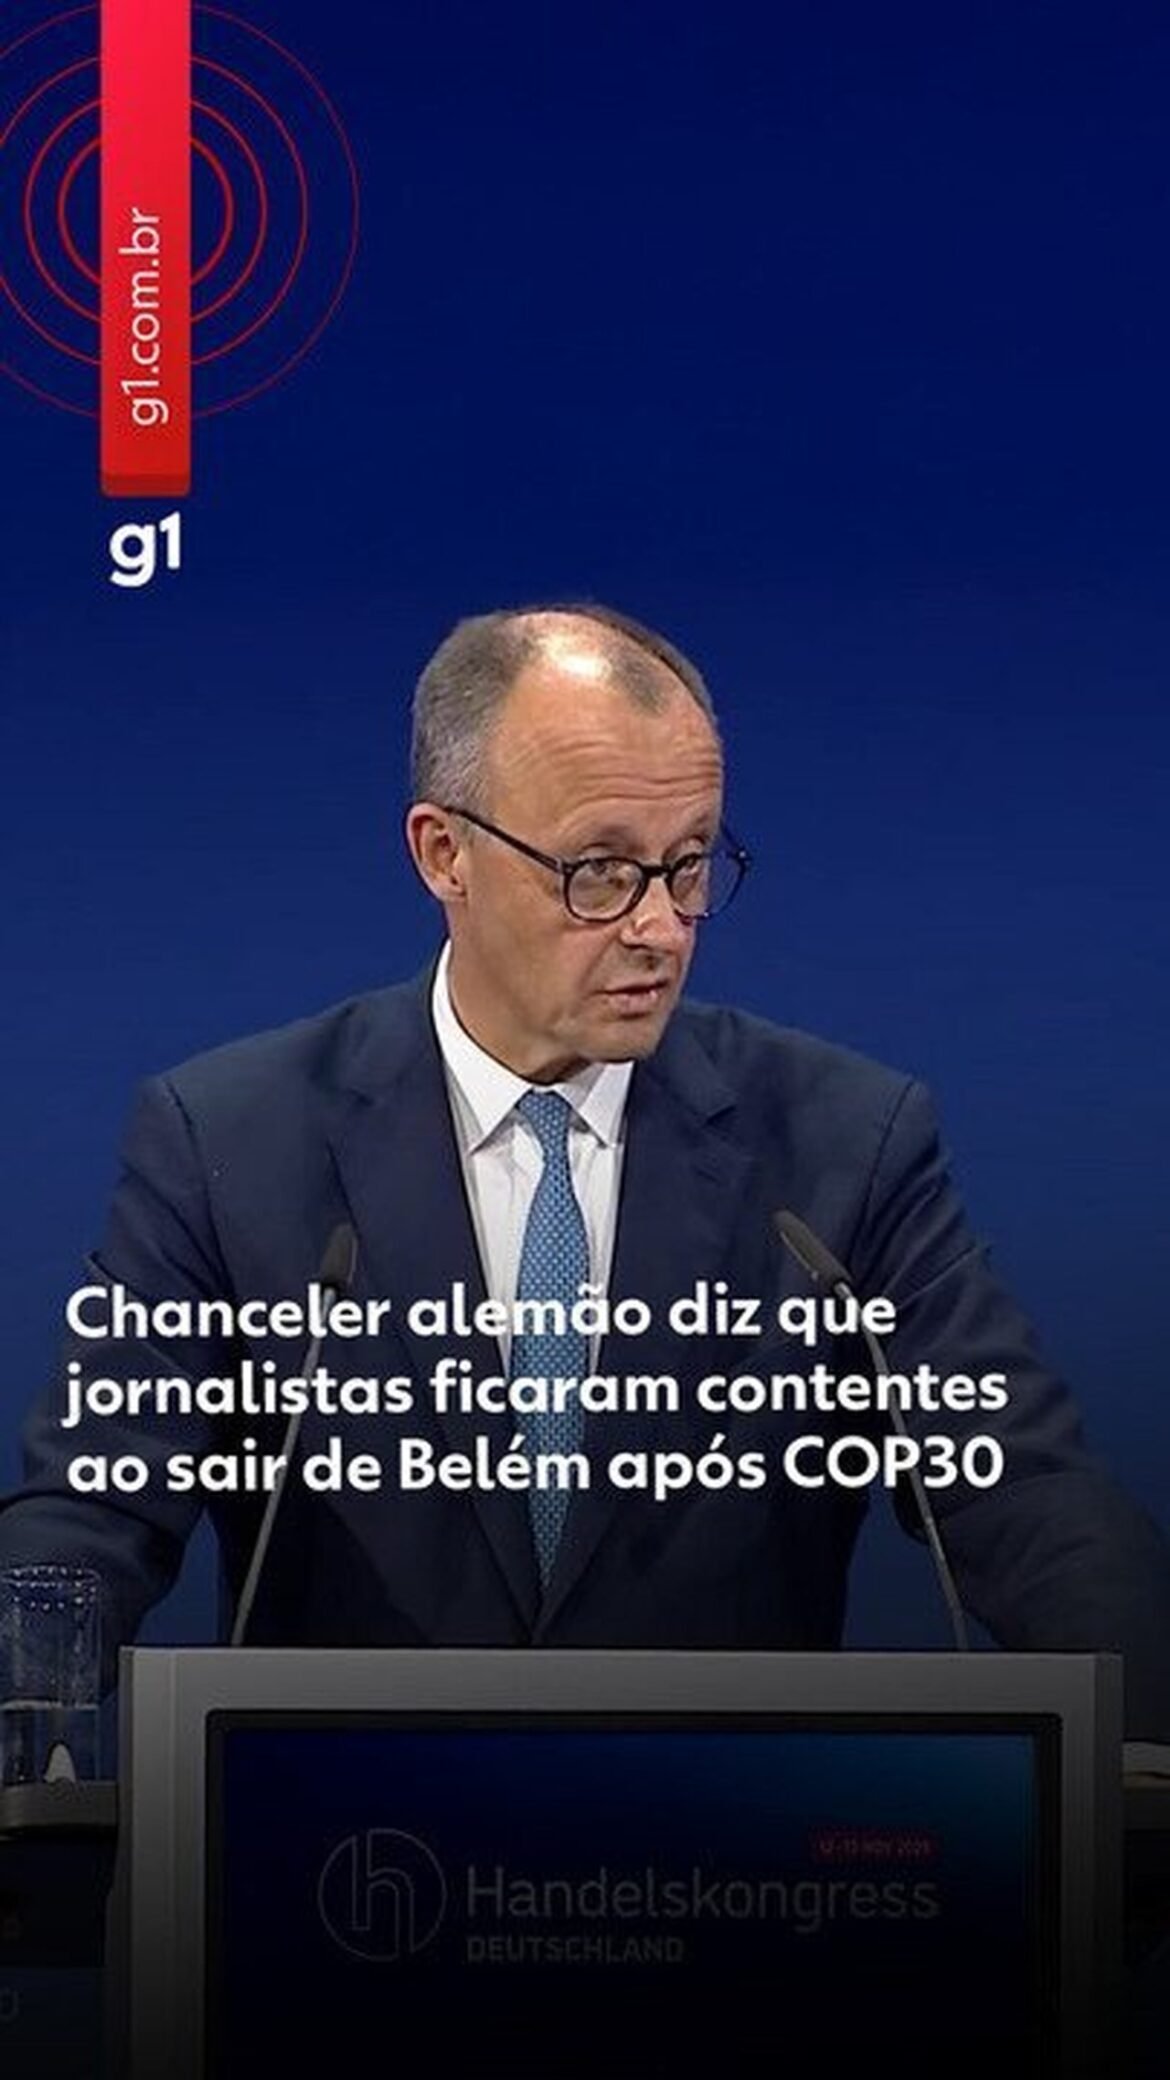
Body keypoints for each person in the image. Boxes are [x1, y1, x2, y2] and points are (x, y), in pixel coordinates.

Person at [2, 602, 1168, 1759]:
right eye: (601, 871)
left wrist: (1152, 1733)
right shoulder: (230, 1142)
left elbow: (1026, 1494)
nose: (661, 928)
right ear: (443, 853)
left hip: (729, 1845)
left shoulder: (843, 1147)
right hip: (349, 1846)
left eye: (690, 865)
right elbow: (88, 1516)